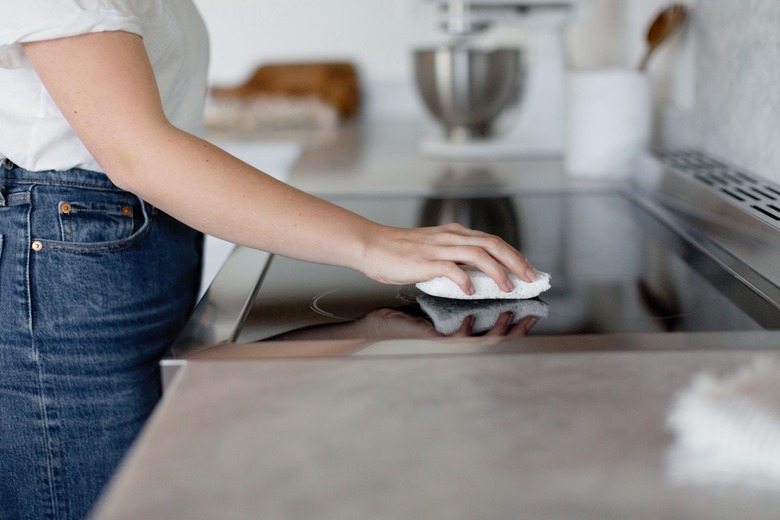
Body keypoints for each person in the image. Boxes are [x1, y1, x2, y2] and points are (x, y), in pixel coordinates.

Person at [0, 2, 536, 519]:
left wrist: (370, 333)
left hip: (111, 237)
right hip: (70, 248)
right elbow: (136, 151)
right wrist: (371, 244)